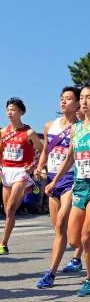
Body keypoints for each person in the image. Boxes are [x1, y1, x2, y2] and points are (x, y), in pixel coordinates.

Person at [45, 82, 90, 296]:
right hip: (80, 186)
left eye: (89, 98)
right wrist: (54, 181)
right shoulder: (76, 128)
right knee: (74, 240)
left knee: (88, 237)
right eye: (82, 98)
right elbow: (69, 158)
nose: (84, 102)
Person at [35, 86, 83, 288]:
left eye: (69, 99)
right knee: (59, 230)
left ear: (78, 104)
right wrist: (39, 166)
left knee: (63, 223)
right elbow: (45, 149)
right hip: (52, 179)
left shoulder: (80, 128)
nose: (64, 102)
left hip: (71, 179)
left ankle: (51, 273)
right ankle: (82, 249)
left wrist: (56, 181)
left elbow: (71, 157)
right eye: (62, 98)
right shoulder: (49, 126)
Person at [0, 98, 43, 254]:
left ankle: (3, 243)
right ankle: (29, 188)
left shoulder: (29, 133)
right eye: (8, 110)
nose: (9, 112)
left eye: (13, 109)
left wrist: (35, 165)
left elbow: (41, 150)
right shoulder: (3, 132)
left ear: (21, 112)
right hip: (6, 171)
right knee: (8, 212)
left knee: (11, 207)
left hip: (21, 171)